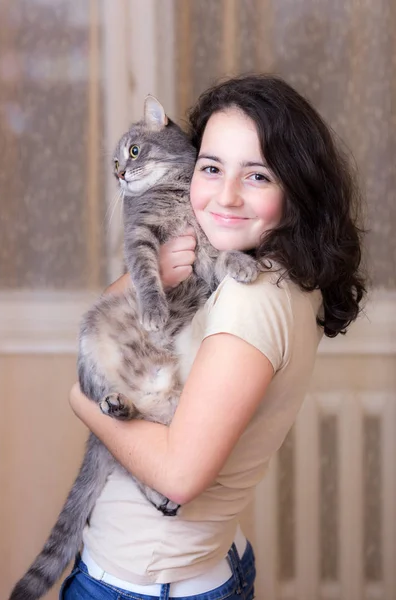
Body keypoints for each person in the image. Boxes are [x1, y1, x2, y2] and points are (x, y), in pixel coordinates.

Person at [63, 74, 365, 599]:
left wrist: (81, 399)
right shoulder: (263, 268)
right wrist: (154, 268)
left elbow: (178, 476)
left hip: (147, 583)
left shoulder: (253, 296)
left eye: (257, 176)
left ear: (297, 187)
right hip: (199, 561)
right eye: (210, 167)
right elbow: (124, 314)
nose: (225, 196)